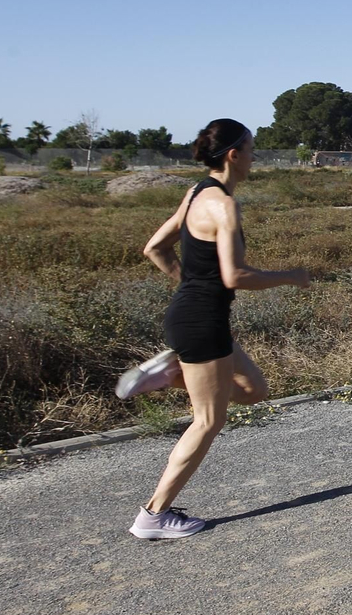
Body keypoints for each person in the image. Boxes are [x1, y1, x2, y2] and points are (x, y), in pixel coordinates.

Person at [126, 118, 310, 539]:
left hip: (195, 315)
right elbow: (235, 276)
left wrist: (190, 287)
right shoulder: (223, 205)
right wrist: (290, 276)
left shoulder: (195, 194)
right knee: (208, 420)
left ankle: (166, 377)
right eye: (250, 149)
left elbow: (154, 247)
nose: (253, 157)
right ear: (233, 154)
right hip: (202, 323)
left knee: (253, 390)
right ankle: (153, 516)